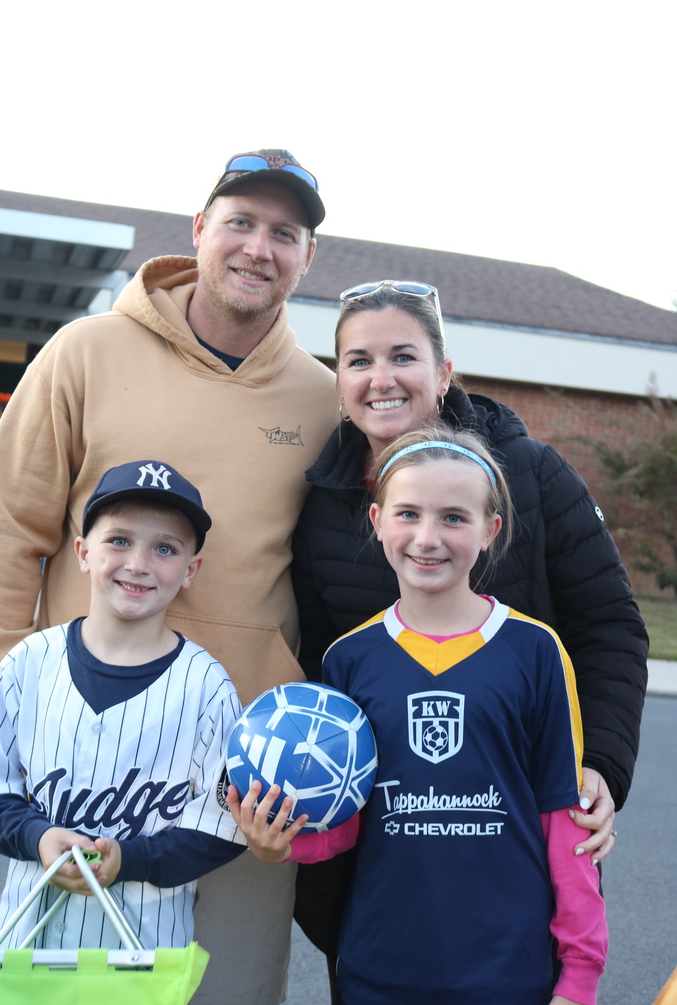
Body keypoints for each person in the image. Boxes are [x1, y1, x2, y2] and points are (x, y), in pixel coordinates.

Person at [0, 150, 336, 1003]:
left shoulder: (322, 399)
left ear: (307, 257)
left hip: (245, 777)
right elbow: (8, 528)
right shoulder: (85, 353)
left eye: (283, 233)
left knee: (229, 990)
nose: (258, 248)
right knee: (65, 987)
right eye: (240, 223)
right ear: (198, 230)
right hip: (79, 765)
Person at [290, 280, 647, 979]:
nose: (381, 379)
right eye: (359, 360)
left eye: (404, 356)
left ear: (444, 372)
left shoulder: (531, 474)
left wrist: (600, 763)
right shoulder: (320, 503)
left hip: (505, 851)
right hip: (385, 870)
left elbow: (610, 628)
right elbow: (315, 670)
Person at [231, 427, 609, 1005]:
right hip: (380, 967)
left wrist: (579, 977)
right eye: (408, 513)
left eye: (454, 518)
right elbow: (347, 820)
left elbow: (565, 821)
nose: (427, 538)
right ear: (378, 521)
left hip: (508, 971)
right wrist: (281, 845)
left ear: (491, 531)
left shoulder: (536, 650)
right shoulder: (349, 658)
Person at [0, 460, 246, 949]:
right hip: (27, 949)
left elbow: (223, 825)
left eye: (165, 548)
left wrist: (130, 859)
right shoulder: (29, 662)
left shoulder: (206, 687)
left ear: (190, 570)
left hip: (146, 954)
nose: (138, 564)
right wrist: (37, 837)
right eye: (119, 540)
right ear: (83, 553)